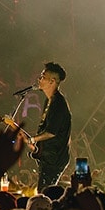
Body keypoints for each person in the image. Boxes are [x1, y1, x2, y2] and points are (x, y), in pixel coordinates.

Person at [26, 62, 71, 191]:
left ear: (52, 81)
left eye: (43, 77)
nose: (39, 79)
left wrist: (33, 139)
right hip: (48, 155)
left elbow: (51, 132)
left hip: (54, 156)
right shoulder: (49, 101)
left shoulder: (58, 103)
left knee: (45, 192)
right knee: (44, 190)